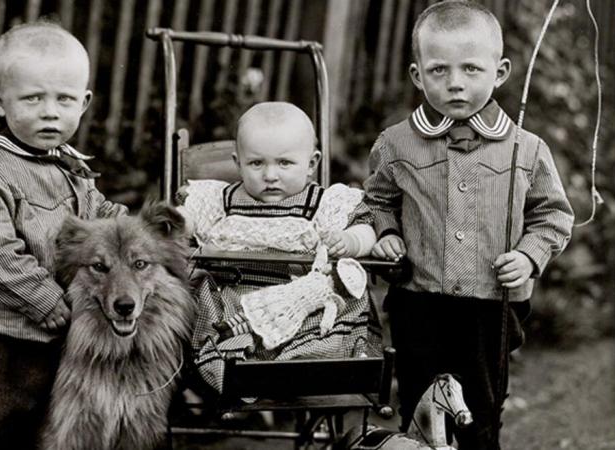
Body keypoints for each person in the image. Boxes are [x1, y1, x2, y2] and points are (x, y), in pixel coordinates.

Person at [351, 2, 574, 449]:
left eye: (471, 69)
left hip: (488, 306)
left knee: (479, 410)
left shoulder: (525, 150)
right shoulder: (395, 144)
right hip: (418, 302)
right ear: (417, 75)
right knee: (421, 404)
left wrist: (530, 256)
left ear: (501, 71)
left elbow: (553, 214)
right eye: (438, 71)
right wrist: (387, 233)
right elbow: (375, 201)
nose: (455, 83)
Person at [0, 20, 127, 449]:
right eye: (33, 98)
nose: (49, 111)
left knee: (34, 435)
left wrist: (136, 228)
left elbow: (98, 215)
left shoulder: (70, 169)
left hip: (45, 341)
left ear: (85, 102)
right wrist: (45, 300)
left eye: (64, 99)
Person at [177, 102, 379, 392]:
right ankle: (237, 371)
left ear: (311, 164)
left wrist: (350, 241)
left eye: (284, 163)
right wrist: (181, 221)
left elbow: (365, 226)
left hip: (300, 303)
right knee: (207, 307)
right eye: (256, 163)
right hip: (236, 299)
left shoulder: (323, 204)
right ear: (238, 163)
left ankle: (297, 368)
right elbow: (187, 217)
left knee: (336, 303)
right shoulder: (220, 200)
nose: (270, 175)